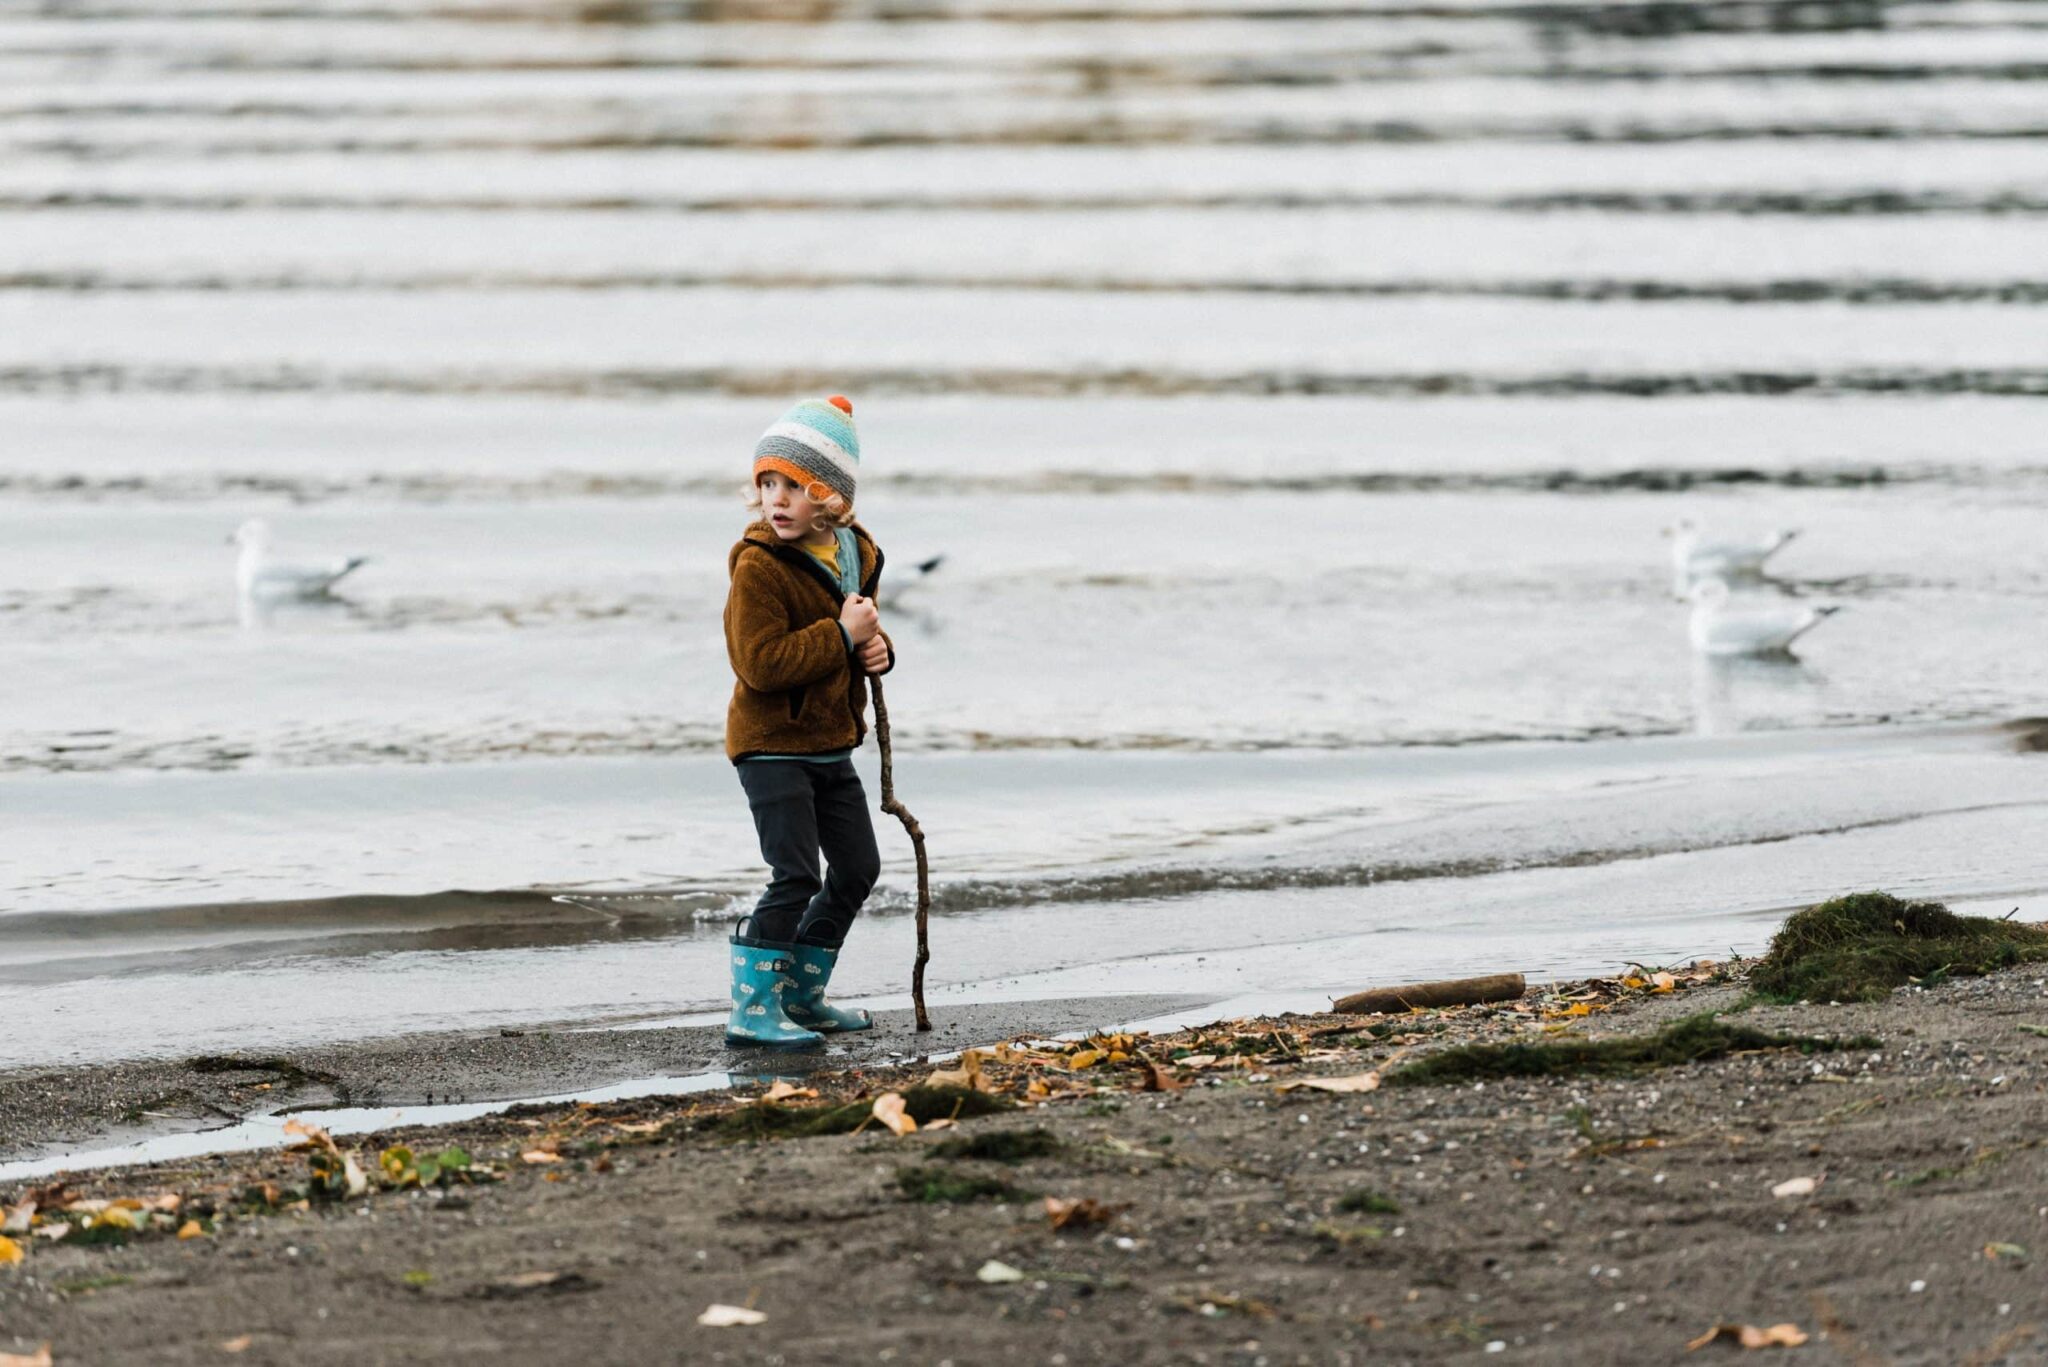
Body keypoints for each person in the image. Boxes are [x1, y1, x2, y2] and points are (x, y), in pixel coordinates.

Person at [722, 395, 894, 1049]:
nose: (778, 499)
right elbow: (761, 664)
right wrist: (844, 637)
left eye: (794, 485)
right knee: (795, 873)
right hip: (770, 745)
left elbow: (861, 628)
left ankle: (802, 993)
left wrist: (877, 648)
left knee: (856, 868)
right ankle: (753, 1007)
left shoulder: (855, 554)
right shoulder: (758, 566)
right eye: (768, 483)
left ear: (829, 496)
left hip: (828, 742)